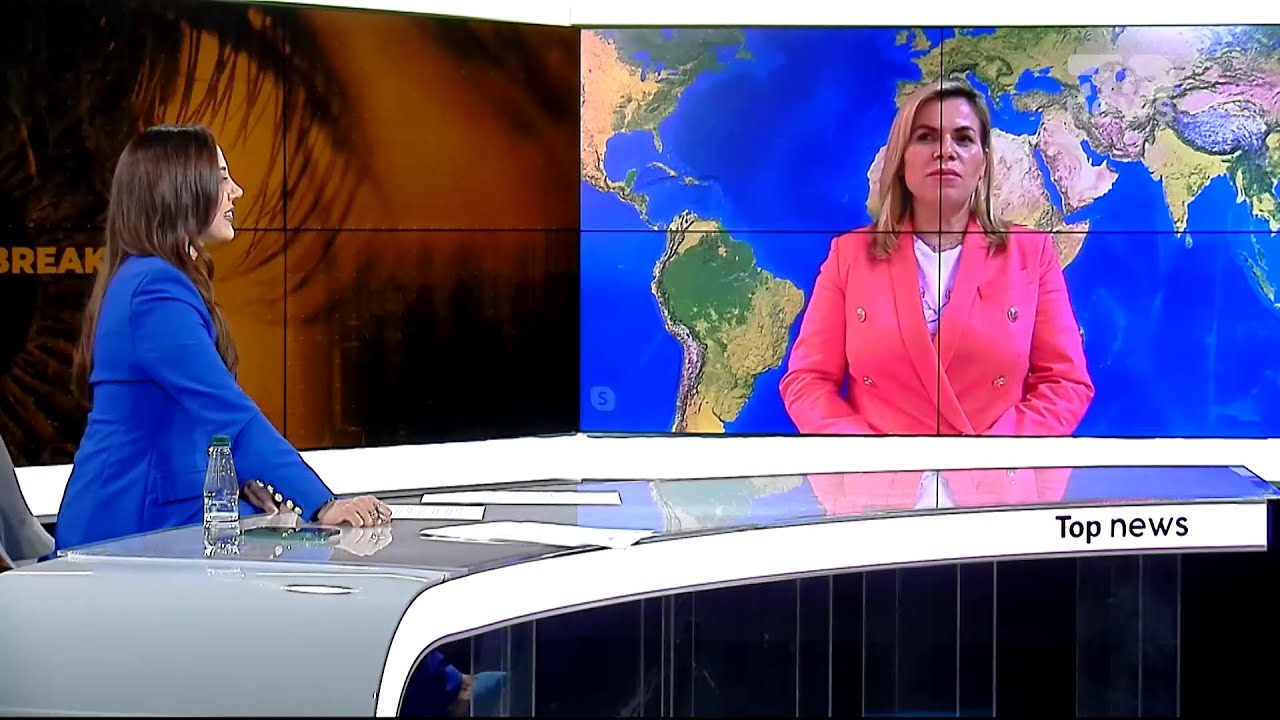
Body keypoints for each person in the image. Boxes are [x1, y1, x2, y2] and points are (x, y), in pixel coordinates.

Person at [780, 79, 1094, 437]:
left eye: (963, 139)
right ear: (901, 158)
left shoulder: (1031, 253)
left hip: (997, 471)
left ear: (983, 162)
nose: (945, 151)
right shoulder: (849, 256)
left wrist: (987, 460)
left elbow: (1065, 383)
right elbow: (807, 380)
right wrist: (871, 458)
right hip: (880, 472)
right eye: (926, 137)